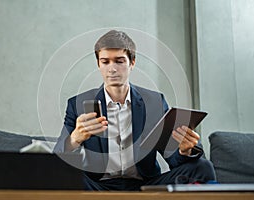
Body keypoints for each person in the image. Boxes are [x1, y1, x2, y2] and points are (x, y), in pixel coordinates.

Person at [54, 30, 216, 191]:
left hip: (145, 185)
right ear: (98, 64)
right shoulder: (78, 103)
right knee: (58, 171)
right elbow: (56, 157)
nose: (112, 69)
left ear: (132, 63)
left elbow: (173, 159)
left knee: (202, 167)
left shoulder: (154, 102)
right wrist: (75, 138)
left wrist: (184, 150)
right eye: (105, 62)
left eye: (119, 61)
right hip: (97, 186)